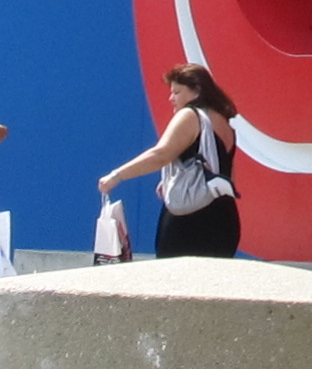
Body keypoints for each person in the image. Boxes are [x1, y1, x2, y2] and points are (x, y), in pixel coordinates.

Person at [101, 64, 246, 260]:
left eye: (177, 92)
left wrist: (117, 176)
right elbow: (226, 175)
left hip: (191, 219)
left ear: (197, 91)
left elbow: (161, 154)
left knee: (174, 283)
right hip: (224, 218)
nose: (171, 99)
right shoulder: (223, 122)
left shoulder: (190, 115)